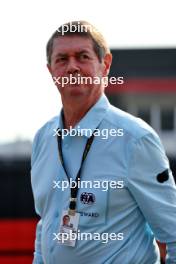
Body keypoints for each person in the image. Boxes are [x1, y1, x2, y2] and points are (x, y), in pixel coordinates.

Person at [31, 21, 176, 264]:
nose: (72, 68)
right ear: (51, 70)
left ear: (105, 64)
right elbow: (46, 223)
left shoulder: (135, 139)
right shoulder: (43, 139)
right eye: (62, 59)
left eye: (83, 56)